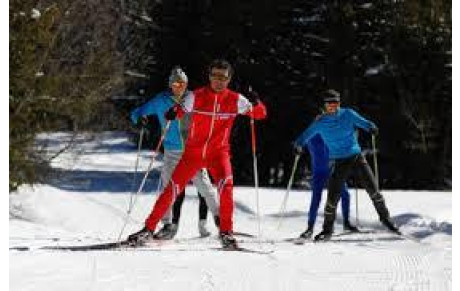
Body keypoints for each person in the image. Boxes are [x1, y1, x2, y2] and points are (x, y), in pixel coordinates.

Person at [128, 59, 267, 248]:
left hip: (219, 154)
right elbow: (180, 109)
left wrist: (256, 102)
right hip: (193, 153)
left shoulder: (236, 100)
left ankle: (226, 232)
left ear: (229, 79)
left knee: (226, 188)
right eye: (215, 76)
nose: (218, 80)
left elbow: (259, 115)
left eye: (223, 77)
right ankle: (148, 229)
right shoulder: (196, 96)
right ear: (209, 77)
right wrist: (172, 113)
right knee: (171, 189)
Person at [293, 89, 400, 241]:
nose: (332, 106)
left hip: (356, 157)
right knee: (332, 198)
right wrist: (298, 146)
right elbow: (303, 137)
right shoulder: (320, 123)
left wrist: (372, 127)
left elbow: (364, 123)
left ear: (339, 103)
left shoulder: (348, 114)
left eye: (335, 102)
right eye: (329, 103)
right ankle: (327, 230)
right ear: (324, 105)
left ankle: (387, 220)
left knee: (374, 190)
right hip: (339, 161)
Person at [130, 66, 220, 239]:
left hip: (193, 151)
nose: (179, 86)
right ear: (170, 85)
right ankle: (168, 225)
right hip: (172, 151)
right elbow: (138, 112)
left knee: (206, 187)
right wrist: (139, 117)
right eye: (175, 83)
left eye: (182, 83)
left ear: (186, 84)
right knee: (167, 188)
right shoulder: (161, 100)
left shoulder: (195, 99)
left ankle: (221, 221)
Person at [294, 133, 359, 240]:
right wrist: (298, 148)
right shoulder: (312, 133)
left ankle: (346, 223)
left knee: (345, 195)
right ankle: (310, 228)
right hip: (318, 172)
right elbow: (299, 142)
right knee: (316, 199)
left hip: (333, 170)